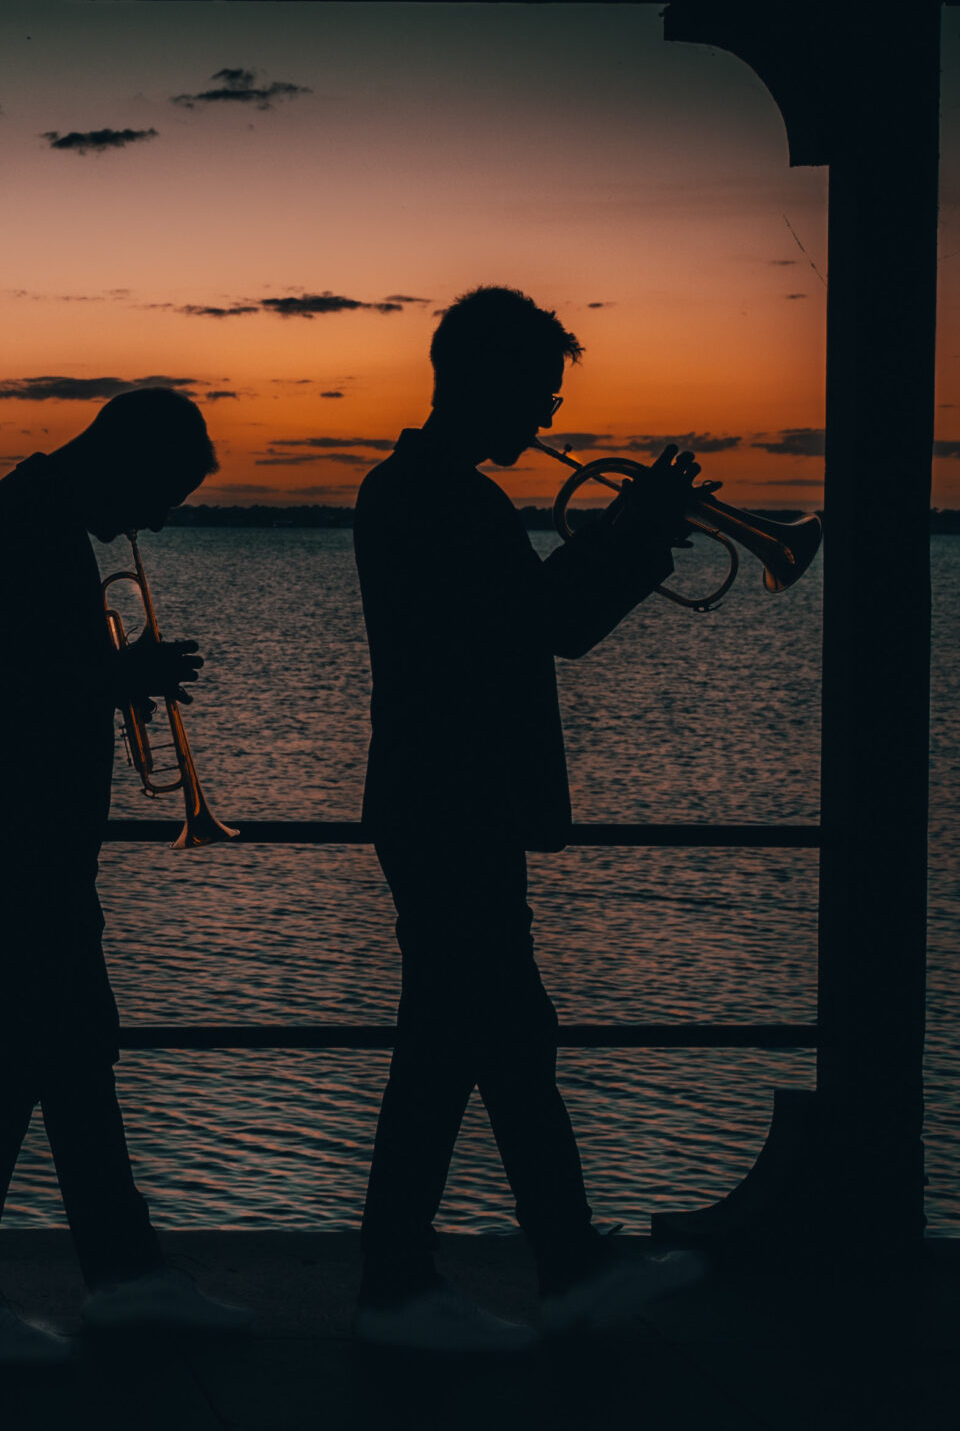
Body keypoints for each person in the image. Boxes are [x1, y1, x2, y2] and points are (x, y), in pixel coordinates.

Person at [350, 285, 709, 1351]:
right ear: (486, 382)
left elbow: (535, 624)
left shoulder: (416, 491)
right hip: (453, 805)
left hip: (440, 803)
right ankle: (480, 1277)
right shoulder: (440, 499)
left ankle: (498, 1271)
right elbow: (551, 626)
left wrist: (625, 541)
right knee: (481, 1040)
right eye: (539, 394)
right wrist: (636, 535)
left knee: (478, 1041)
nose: (546, 420)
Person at [0, 387, 251, 1365]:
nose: (159, 519)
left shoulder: (35, 519)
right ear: (121, 460)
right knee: (20, 1056)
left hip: (12, 834)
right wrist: (120, 680)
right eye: (161, 492)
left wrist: (109, 677)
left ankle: (121, 1275)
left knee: (71, 1049)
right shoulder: (28, 527)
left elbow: (19, 672)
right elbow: (9, 691)